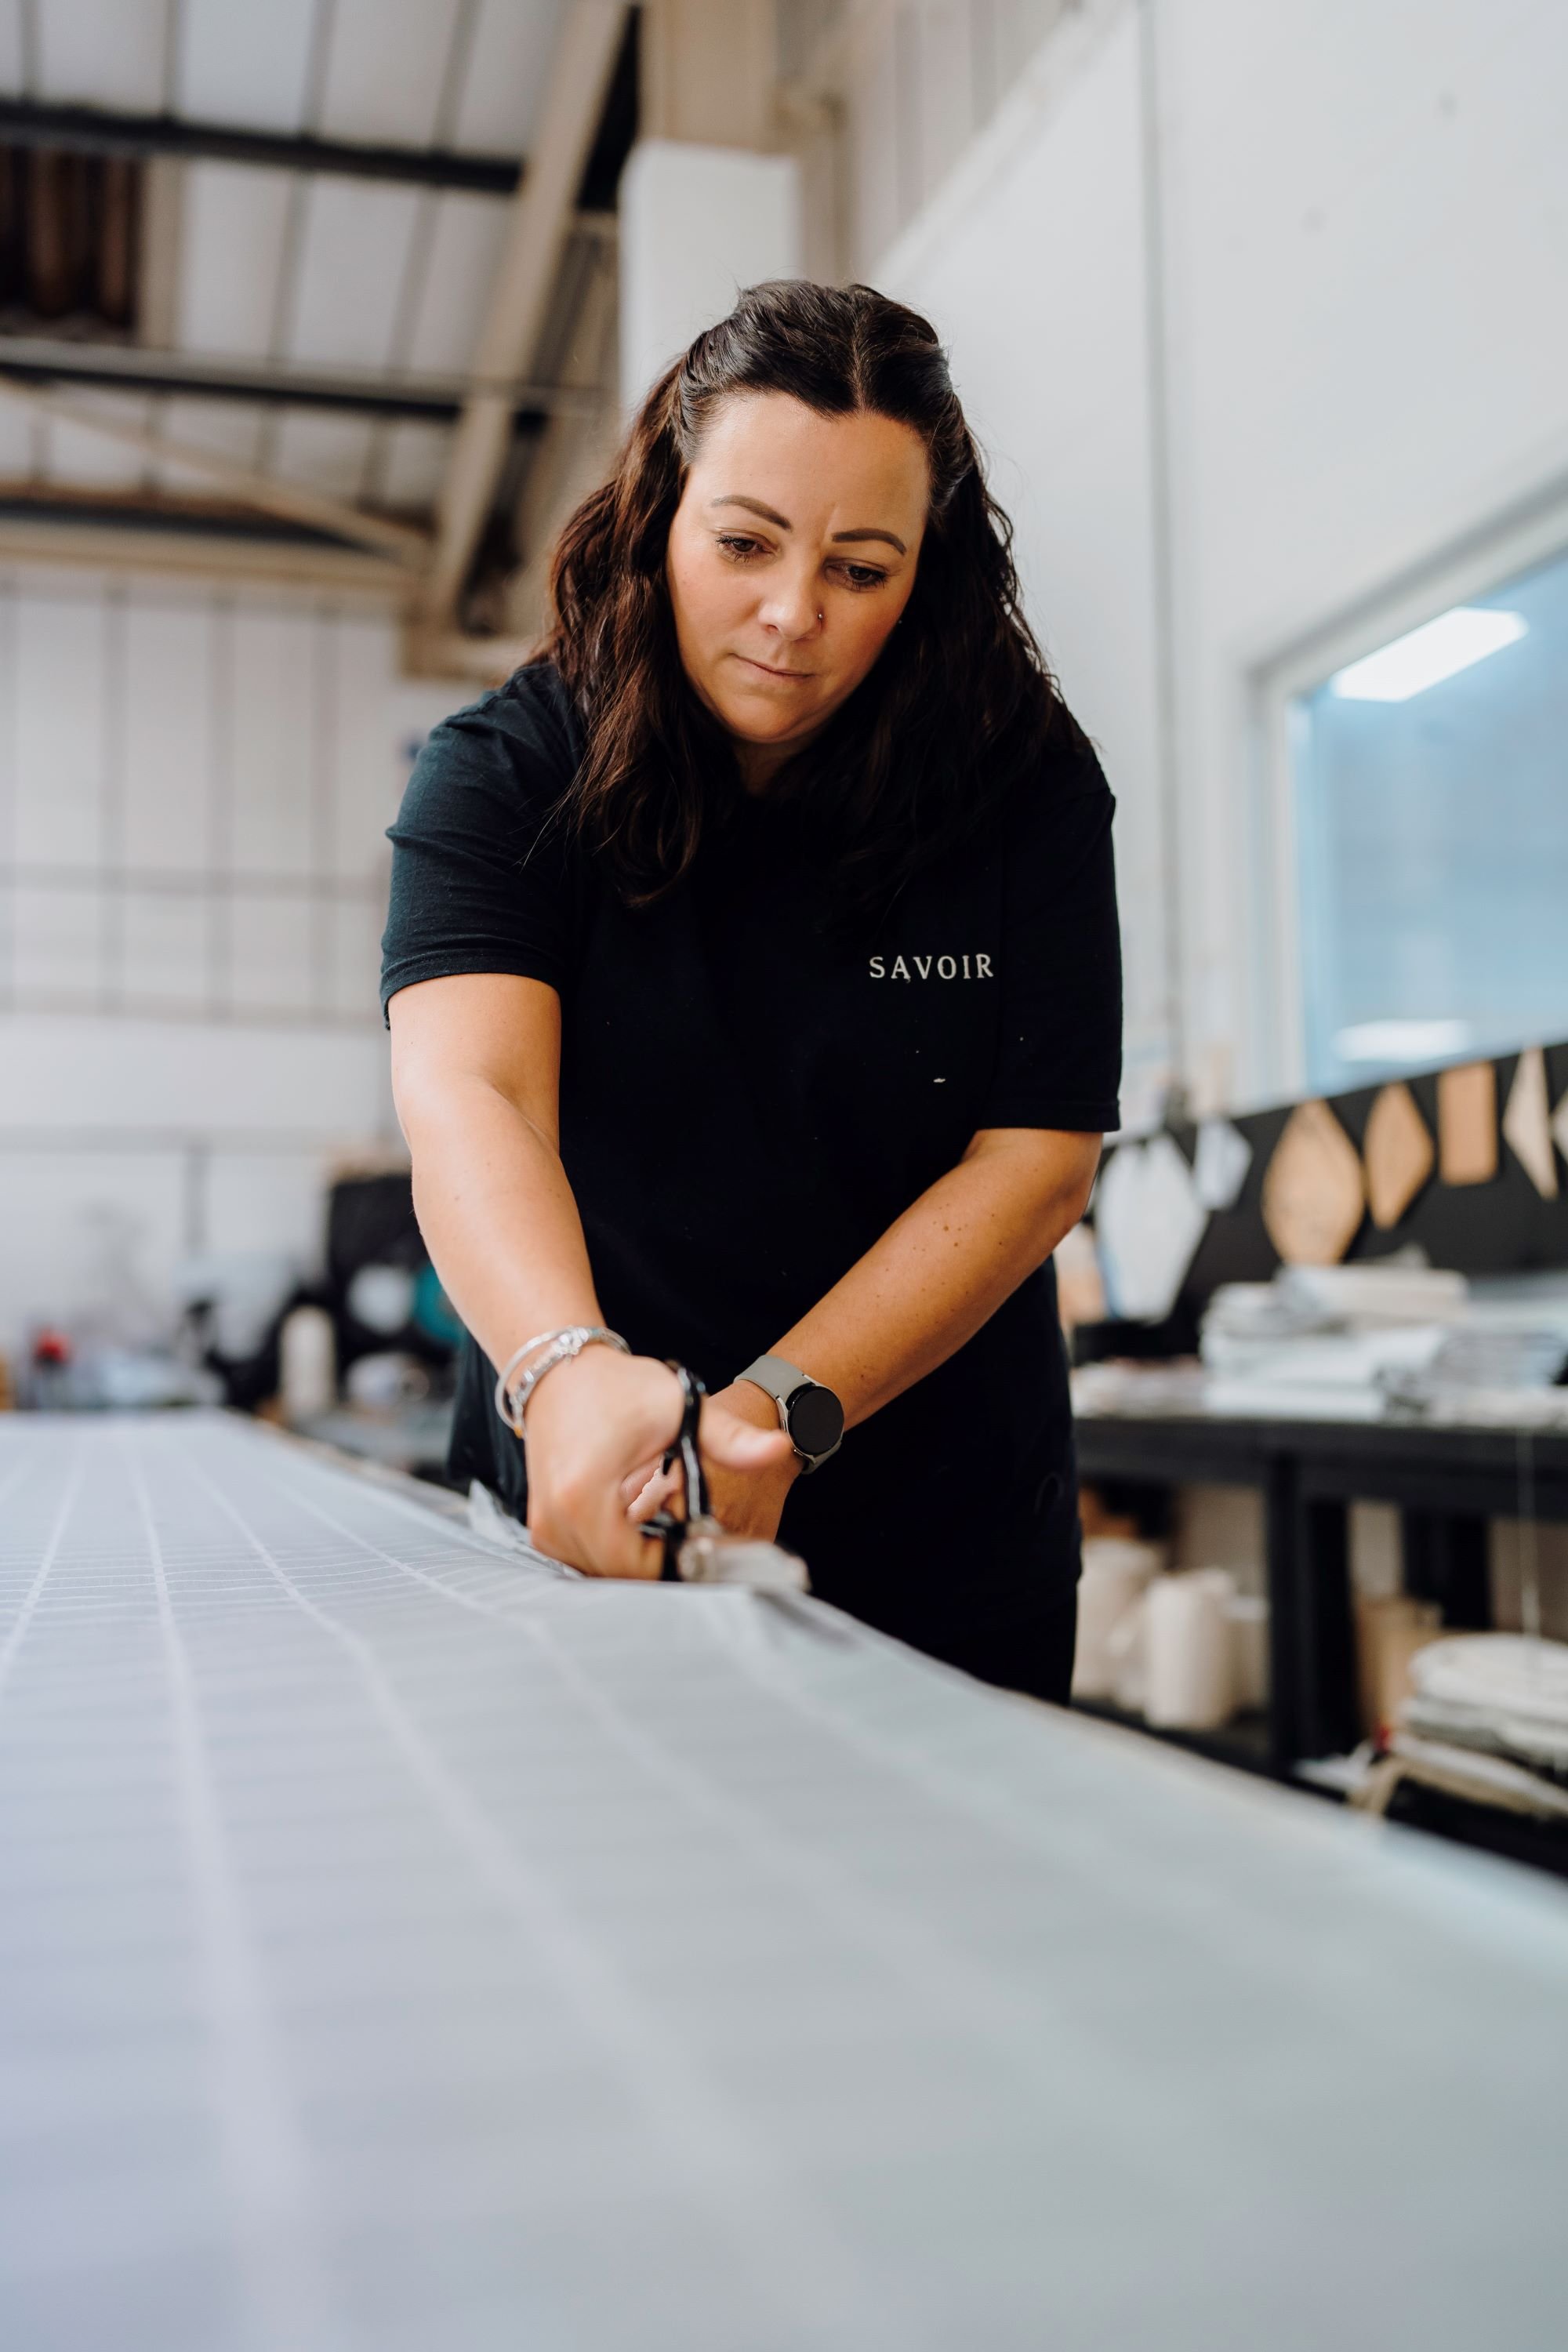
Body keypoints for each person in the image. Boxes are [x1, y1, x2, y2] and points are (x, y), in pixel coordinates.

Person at [382, 281, 1121, 1703]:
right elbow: (471, 1093)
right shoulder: (503, 770)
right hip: (582, 1498)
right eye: (745, 544)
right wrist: (565, 1371)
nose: (794, 614)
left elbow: (1035, 1158)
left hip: (943, 1540)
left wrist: (780, 1411)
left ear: (930, 568)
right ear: (663, 512)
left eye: (862, 567)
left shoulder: (1020, 788)